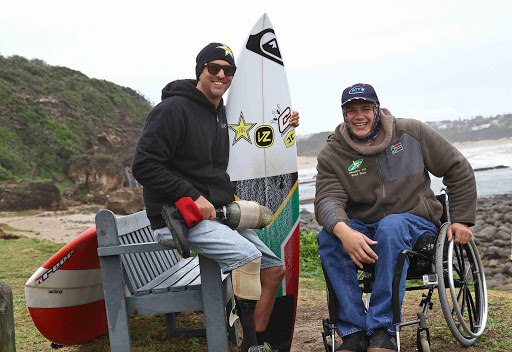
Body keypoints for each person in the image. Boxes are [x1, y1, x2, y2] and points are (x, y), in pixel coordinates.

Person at [132, 42, 299, 352]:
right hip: (177, 218)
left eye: (228, 70)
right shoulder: (172, 110)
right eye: (214, 68)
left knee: (273, 269)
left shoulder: (219, 111)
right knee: (248, 259)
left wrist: (283, 125)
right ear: (201, 71)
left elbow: (253, 133)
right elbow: (143, 165)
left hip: (216, 215)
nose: (221, 74)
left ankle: (256, 340)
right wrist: (190, 194)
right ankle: (248, 345)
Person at [314, 83, 476, 352]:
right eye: (351, 110)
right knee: (329, 237)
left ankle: (382, 329)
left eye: (365, 108)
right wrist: (344, 231)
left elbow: (457, 168)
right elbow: (328, 199)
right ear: (343, 114)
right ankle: (353, 331)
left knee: (391, 225)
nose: (359, 116)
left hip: (416, 221)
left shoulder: (412, 132)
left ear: (376, 110)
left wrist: (462, 219)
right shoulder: (333, 153)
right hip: (365, 226)